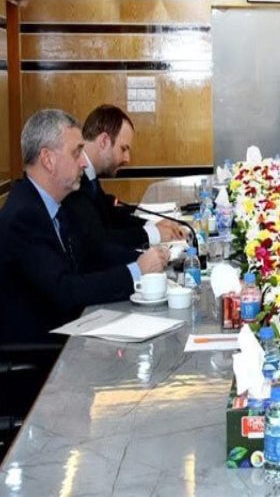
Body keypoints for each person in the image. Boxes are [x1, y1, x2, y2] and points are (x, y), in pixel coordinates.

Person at [0, 109, 169, 345]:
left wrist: (149, 261)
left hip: (73, 330)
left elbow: (92, 254)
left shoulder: (53, 205)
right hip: (45, 352)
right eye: (76, 152)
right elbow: (66, 291)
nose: (83, 162)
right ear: (48, 159)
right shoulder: (24, 216)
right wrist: (136, 271)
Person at [64, 104, 184, 250]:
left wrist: (152, 225)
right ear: (104, 141)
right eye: (123, 149)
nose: (127, 159)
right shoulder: (73, 179)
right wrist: (152, 234)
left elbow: (110, 215)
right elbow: (97, 240)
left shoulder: (90, 177)